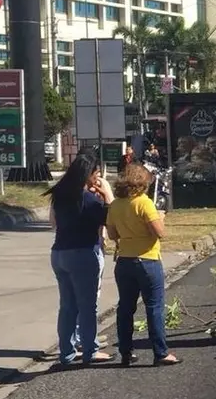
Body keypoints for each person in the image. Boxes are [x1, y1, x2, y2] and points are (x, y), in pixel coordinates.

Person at [44, 152, 115, 366]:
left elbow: (53, 222)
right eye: (97, 174)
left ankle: (66, 351)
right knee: (87, 306)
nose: (99, 178)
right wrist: (108, 195)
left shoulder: (61, 194)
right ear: (89, 174)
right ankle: (90, 350)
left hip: (59, 253)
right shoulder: (89, 199)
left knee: (67, 306)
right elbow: (112, 219)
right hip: (83, 253)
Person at [107, 163, 180, 366]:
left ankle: (125, 351)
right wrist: (161, 218)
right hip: (147, 258)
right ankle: (160, 352)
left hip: (124, 261)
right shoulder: (144, 203)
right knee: (154, 306)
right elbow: (159, 232)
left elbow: (113, 234)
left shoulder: (115, 205)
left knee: (126, 307)